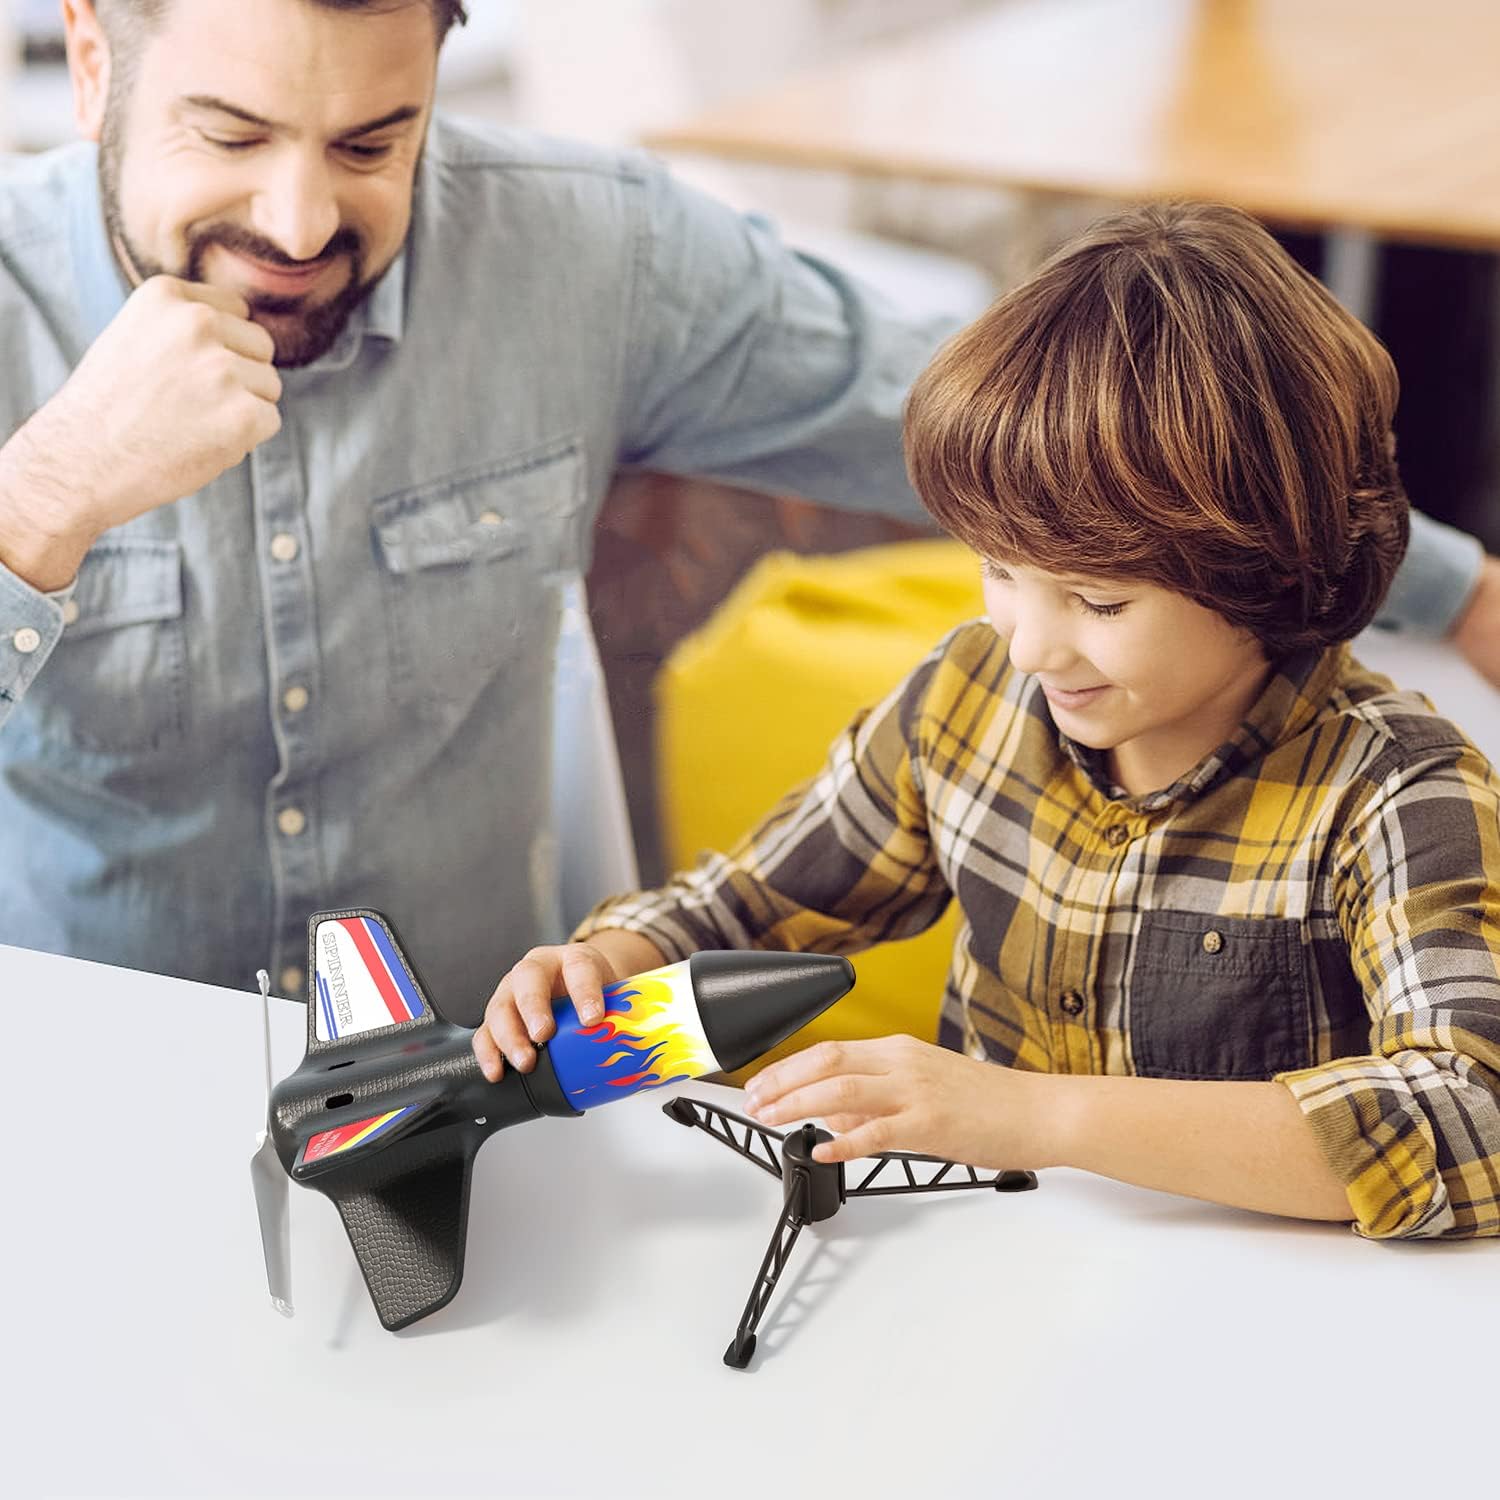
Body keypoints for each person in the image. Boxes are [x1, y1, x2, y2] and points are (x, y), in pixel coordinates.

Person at [0, 1, 1494, 1025]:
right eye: (231, 135)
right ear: (89, 54)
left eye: (373, 144)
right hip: (82, 1077)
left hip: (485, 1074)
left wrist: (1452, 585)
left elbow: (1034, 433)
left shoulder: (591, 253)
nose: (302, 224)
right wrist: (44, 497)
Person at [478, 202, 1500, 1239]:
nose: (1029, 647)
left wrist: (1040, 1115)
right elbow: (747, 908)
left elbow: (1474, 1123)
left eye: (1100, 603)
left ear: (1273, 569)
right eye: (1001, 572)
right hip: (1008, 1283)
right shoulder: (968, 697)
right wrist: (613, 961)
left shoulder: (1401, 795)